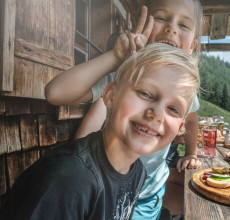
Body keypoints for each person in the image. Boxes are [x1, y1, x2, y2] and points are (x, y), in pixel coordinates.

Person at [0, 43, 200, 220]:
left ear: (180, 129)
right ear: (111, 95)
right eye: (145, 93)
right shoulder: (70, 180)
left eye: (173, 109)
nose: (157, 114)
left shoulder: (137, 171)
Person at [44, 0, 203, 219]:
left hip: (148, 191)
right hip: (107, 187)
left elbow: (192, 121)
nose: (171, 28)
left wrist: (192, 153)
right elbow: (55, 93)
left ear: (192, 45)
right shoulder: (123, 76)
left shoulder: (185, 92)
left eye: (183, 25)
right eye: (162, 18)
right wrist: (115, 56)